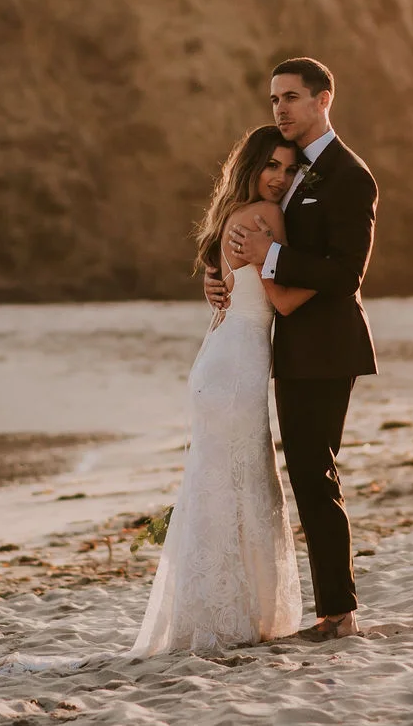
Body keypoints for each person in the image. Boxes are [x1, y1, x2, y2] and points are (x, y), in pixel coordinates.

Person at [208, 57, 377, 642]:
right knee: (304, 473)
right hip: (292, 349)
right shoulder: (292, 171)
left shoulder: (351, 176)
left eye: (290, 97)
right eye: (274, 98)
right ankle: (334, 610)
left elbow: (346, 272)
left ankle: (338, 614)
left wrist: (269, 260)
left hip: (329, 346)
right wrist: (225, 276)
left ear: (323, 99)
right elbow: (254, 240)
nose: (279, 108)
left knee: (313, 473)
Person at [130, 125, 309, 655]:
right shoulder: (269, 217)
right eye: (271, 166)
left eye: (289, 168)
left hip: (218, 362)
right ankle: (239, 618)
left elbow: (232, 286)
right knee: (241, 485)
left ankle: (213, 614)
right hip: (237, 371)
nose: (279, 178)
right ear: (251, 166)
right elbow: (283, 301)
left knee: (218, 488)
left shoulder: (231, 216)